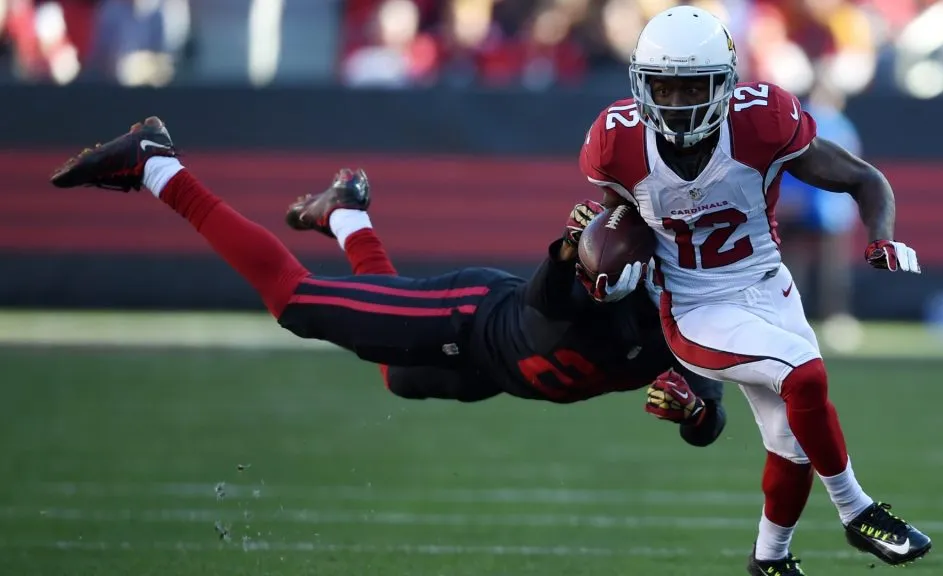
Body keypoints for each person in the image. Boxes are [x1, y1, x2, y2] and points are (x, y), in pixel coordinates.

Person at [48, 116, 726, 447]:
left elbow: (711, 415)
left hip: (500, 368)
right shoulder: (575, 280)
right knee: (296, 303)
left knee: (393, 376)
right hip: (472, 317)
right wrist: (566, 252)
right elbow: (548, 297)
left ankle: (346, 212)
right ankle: (157, 167)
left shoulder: (685, 321)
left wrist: (696, 413)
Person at [578, 6, 927, 575]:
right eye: (663, 87)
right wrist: (605, 260)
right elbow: (624, 232)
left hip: (770, 289)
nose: (678, 102)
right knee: (804, 374)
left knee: (791, 442)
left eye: (694, 86)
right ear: (641, 84)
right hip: (696, 308)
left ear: (726, 85)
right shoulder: (616, 144)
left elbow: (864, 179)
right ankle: (857, 510)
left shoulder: (761, 122)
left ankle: (770, 560)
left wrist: (882, 236)